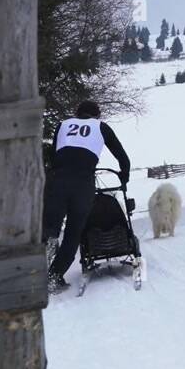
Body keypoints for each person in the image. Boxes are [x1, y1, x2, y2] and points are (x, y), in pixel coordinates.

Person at [43, 100, 130, 292]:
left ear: (77, 113)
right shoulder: (101, 127)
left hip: (58, 180)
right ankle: (54, 277)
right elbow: (122, 157)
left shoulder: (63, 125)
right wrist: (124, 176)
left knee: (50, 226)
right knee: (74, 233)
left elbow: (53, 153)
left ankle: (47, 244)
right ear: (96, 115)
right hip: (82, 184)